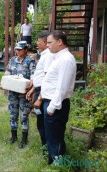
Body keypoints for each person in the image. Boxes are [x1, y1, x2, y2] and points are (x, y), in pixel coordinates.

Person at [41, 31, 76, 164]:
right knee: (52, 135)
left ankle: (58, 163)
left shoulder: (66, 59)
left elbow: (62, 87)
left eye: (50, 42)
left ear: (59, 42)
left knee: (55, 136)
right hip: (52, 103)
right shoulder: (60, 57)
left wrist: (51, 108)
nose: (47, 45)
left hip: (56, 105)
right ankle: (54, 160)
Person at [26, 31, 53, 153]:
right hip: (38, 90)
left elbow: (46, 79)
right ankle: (45, 146)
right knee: (40, 120)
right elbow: (40, 77)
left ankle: (46, 148)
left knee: (42, 122)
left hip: (42, 92)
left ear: (45, 42)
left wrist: (39, 98)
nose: (37, 43)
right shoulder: (44, 55)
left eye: (38, 41)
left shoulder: (48, 56)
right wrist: (32, 90)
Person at [5, 40, 36, 148]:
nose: (17, 51)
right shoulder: (12, 60)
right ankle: (13, 136)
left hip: (24, 93)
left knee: (24, 116)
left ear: (25, 50)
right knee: (13, 114)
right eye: (16, 49)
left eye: (20, 49)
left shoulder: (30, 60)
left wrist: (31, 86)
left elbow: (33, 75)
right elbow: (7, 73)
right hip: (13, 92)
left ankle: (24, 139)